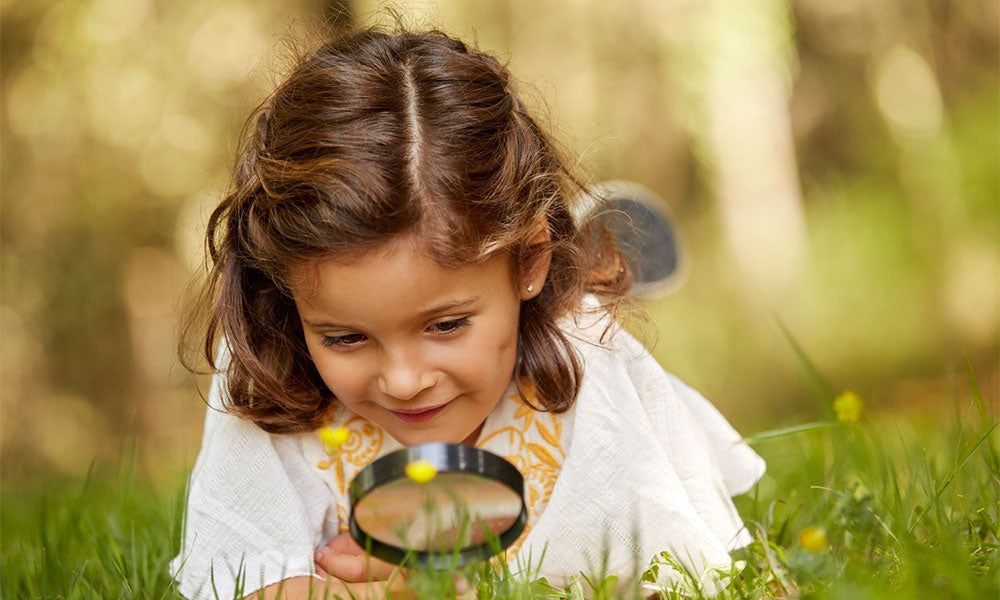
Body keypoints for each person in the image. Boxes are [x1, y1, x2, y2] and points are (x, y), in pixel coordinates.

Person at [170, 25, 765, 600]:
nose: (404, 380)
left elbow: (680, 574)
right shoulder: (269, 373)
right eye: (346, 338)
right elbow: (238, 578)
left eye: (447, 325)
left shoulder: (590, 367)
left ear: (530, 261)